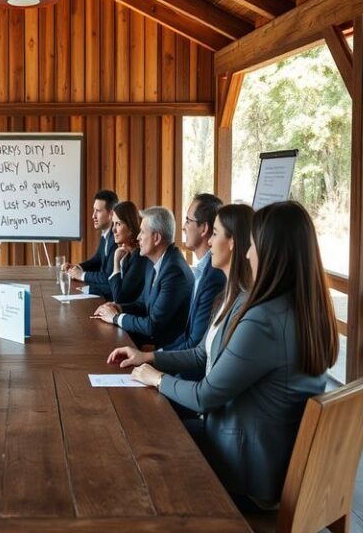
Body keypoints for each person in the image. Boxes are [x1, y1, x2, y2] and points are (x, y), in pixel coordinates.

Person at [128, 202, 339, 509]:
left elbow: (205, 396)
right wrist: (151, 360)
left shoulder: (264, 319)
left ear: (270, 253)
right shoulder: (306, 309)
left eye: (252, 246)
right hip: (268, 455)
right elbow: (204, 356)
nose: (248, 254)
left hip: (247, 472)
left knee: (148, 443)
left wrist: (156, 377)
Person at [107, 203, 254, 384]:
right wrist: (148, 357)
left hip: (189, 377)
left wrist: (157, 374)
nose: (209, 241)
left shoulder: (207, 279)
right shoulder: (159, 265)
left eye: (214, 234)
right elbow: (199, 352)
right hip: (181, 365)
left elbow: (201, 364)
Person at [94, 206, 194, 348]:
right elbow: (142, 304)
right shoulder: (155, 261)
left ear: (157, 238)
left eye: (142, 232)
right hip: (149, 341)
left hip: (164, 350)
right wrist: (118, 307)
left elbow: (152, 325)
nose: (138, 237)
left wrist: (116, 318)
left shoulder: (174, 271)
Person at [161, 193, 226, 356]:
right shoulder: (203, 270)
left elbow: (194, 343)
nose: (183, 227)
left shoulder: (214, 277)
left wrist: (153, 358)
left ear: (204, 228)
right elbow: (187, 335)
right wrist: (156, 353)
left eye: (188, 221)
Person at [64, 189, 118, 297]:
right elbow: (97, 260)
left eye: (98, 211)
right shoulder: (106, 234)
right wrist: (77, 267)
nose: (93, 216)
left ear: (111, 214)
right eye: (94, 210)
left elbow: (107, 276)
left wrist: (82, 275)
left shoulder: (116, 238)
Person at [107, 200, 148, 304]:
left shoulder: (139, 257)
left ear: (130, 227)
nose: (113, 230)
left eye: (118, 224)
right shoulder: (128, 254)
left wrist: (116, 264)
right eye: (113, 224)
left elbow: (119, 298)